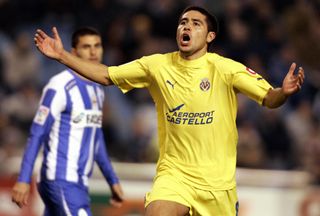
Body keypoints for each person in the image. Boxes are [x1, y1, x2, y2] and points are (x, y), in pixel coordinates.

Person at [33, 6, 305, 216]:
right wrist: (62, 56)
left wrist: (283, 92)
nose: (186, 26)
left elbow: (269, 99)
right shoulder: (157, 66)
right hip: (175, 176)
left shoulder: (225, 68)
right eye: (183, 22)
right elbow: (107, 75)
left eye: (195, 23)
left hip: (217, 186)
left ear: (209, 36)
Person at [12, 27, 124, 216]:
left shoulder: (97, 89)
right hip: (60, 180)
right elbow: (37, 133)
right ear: (74, 52)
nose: (93, 52)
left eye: (97, 46)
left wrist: (112, 180)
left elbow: (96, 140)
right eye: (86, 46)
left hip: (79, 183)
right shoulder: (60, 85)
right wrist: (23, 179)